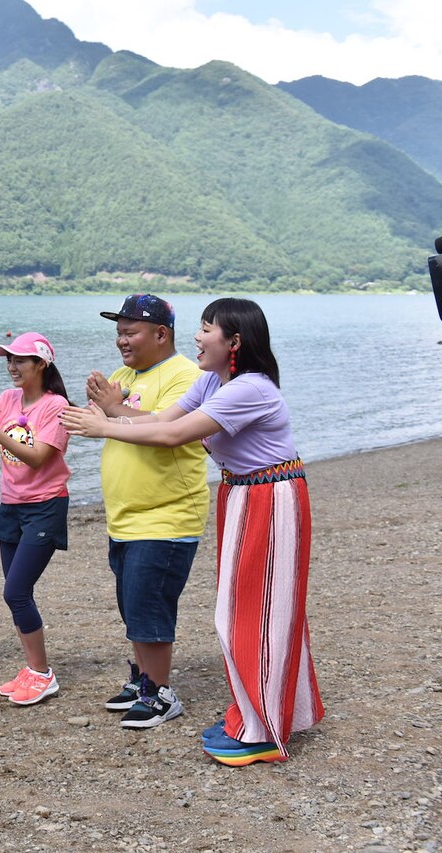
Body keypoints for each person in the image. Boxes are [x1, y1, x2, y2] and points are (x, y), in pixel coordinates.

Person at [62, 298, 323, 765]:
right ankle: (271, 714)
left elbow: (169, 438)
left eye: (207, 329)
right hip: (242, 494)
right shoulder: (212, 381)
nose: (198, 337)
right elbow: (161, 421)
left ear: (235, 341)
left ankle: (262, 731)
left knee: (257, 613)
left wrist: (104, 425)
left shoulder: (250, 389)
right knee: (243, 612)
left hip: (270, 496)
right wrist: (115, 412)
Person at [82, 294, 210, 729]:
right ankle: (142, 679)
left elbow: (167, 427)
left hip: (167, 514)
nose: (121, 339)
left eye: (130, 331)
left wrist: (112, 412)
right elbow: (105, 424)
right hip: (125, 516)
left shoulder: (186, 375)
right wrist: (91, 413)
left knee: (148, 603)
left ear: (161, 334)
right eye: (118, 331)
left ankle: (162, 693)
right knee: (131, 602)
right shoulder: (122, 376)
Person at [0, 333, 71, 707]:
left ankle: (43, 674)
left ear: (41, 364)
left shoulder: (55, 406)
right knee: (16, 594)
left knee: (15, 591)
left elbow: (38, 457)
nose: (12, 367)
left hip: (45, 506)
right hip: (11, 505)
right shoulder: (7, 398)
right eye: (8, 360)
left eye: (20, 360)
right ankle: (32, 668)